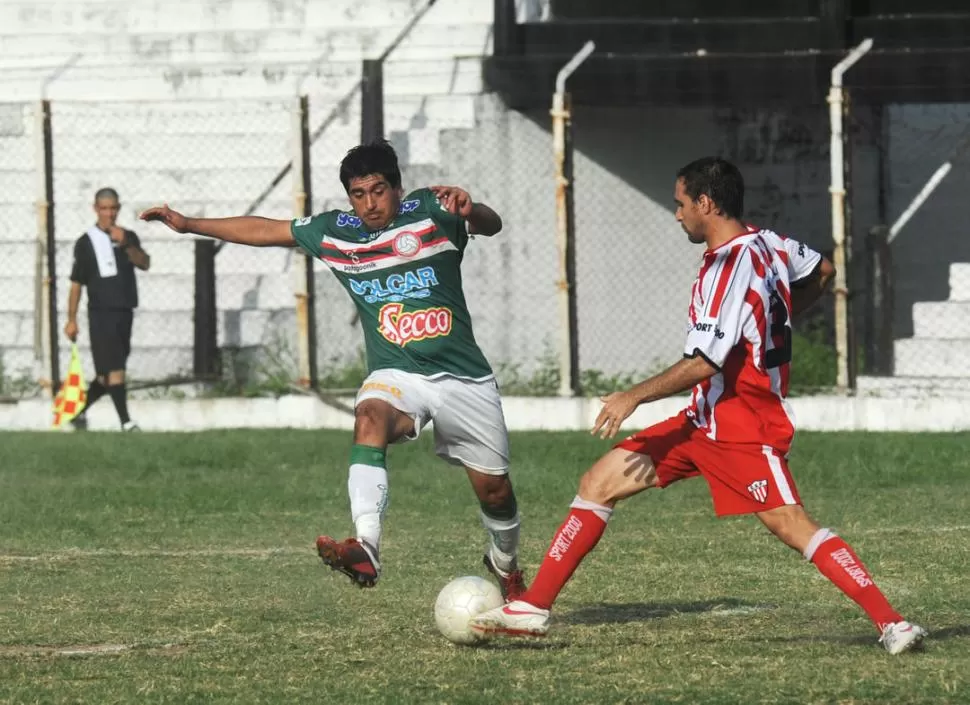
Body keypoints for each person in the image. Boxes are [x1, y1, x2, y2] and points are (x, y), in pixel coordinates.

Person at [469, 157, 927, 655]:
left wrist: (632, 397)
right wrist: (774, 318)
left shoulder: (727, 268)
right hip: (702, 420)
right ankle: (532, 609)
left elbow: (703, 363)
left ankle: (893, 622)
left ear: (705, 203)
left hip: (742, 425)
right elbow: (824, 270)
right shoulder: (768, 242)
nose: (677, 214)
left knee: (792, 525)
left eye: (681, 204)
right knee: (598, 482)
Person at [139, 140, 526, 599]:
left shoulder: (431, 211)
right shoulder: (339, 233)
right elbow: (266, 230)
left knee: (496, 493)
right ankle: (367, 545)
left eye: (378, 190)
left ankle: (506, 565)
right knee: (368, 417)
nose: (370, 203)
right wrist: (188, 225)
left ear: (397, 187)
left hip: (463, 378)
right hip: (398, 374)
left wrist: (471, 207)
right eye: (358, 194)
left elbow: (491, 224)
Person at [65, 187, 151, 431]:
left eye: (113, 208)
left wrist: (126, 245)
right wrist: (71, 319)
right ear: (96, 209)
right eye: (104, 209)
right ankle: (126, 422)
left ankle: (77, 415)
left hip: (125, 311)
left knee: (106, 376)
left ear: (119, 209)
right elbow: (76, 284)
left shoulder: (128, 236)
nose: (109, 214)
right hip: (101, 314)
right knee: (116, 371)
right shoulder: (85, 242)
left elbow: (144, 263)